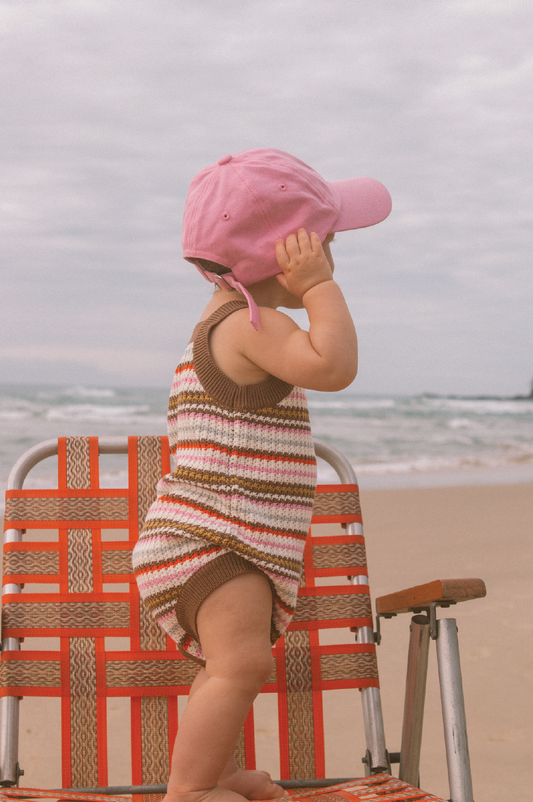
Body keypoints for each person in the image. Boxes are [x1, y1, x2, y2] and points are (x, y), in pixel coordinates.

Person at [132, 149, 391, 802]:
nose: (331, 254)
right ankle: (188, 791)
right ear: (283, 256)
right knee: (242, 663)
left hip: (214, 540)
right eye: (324, 245)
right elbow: (332, 366)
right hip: (214, 542)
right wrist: (319, 290)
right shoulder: (250, 327)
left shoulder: (226, 323)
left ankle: (222, 775)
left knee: (229, 664)